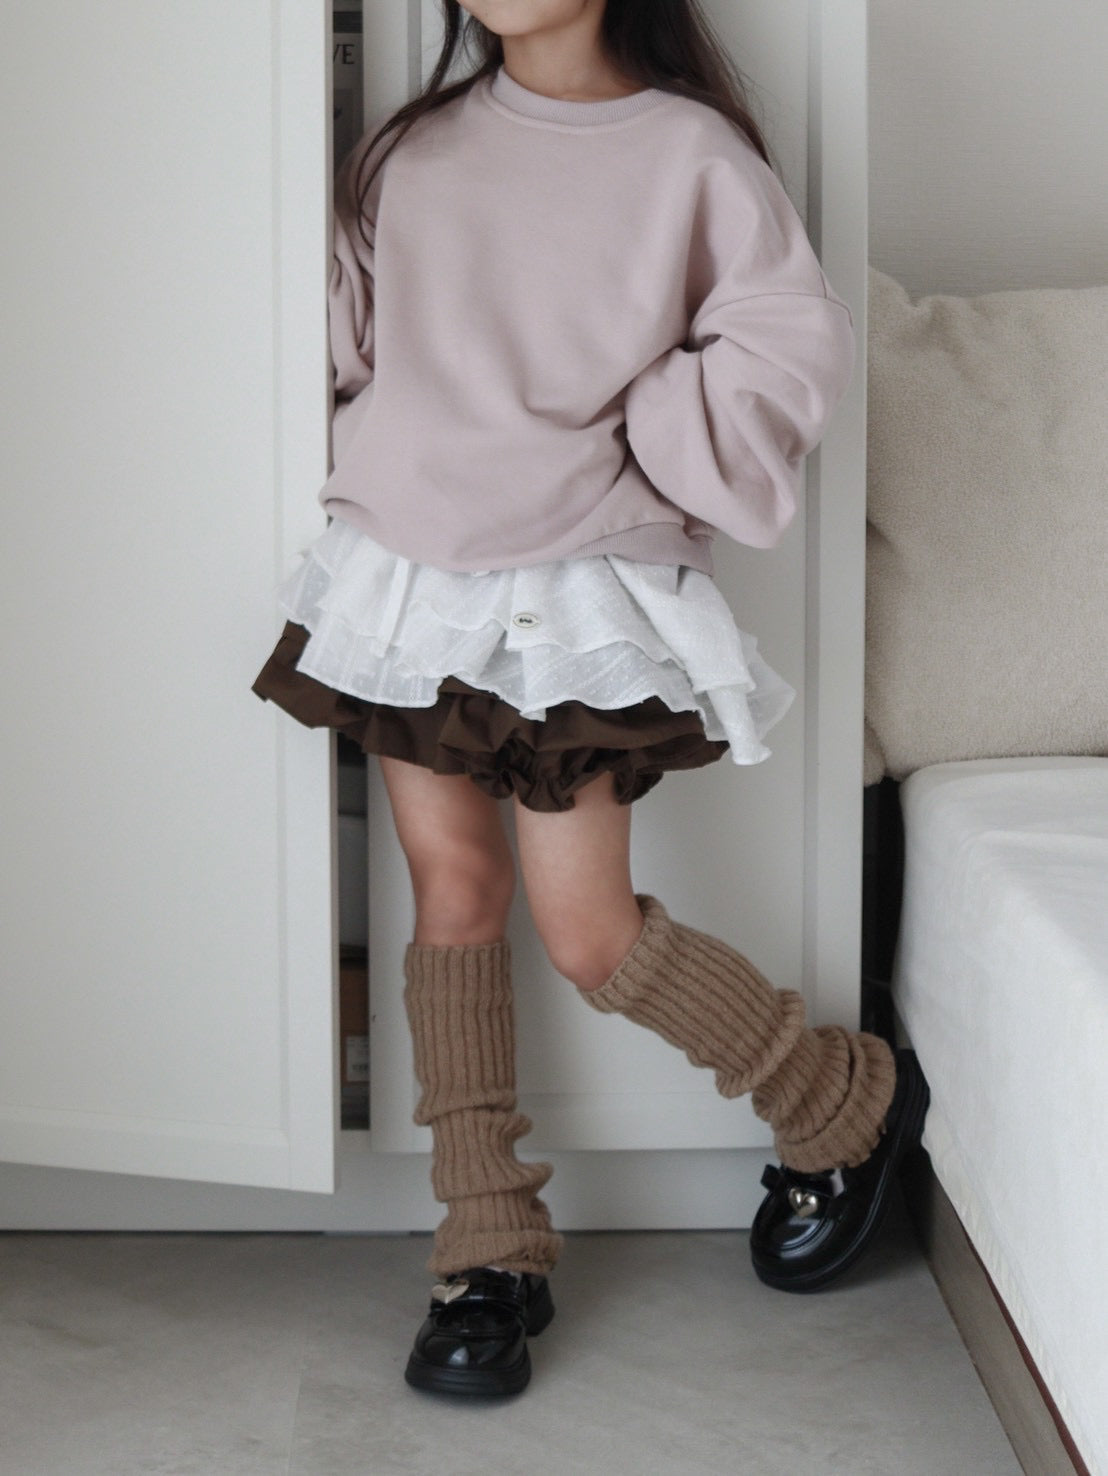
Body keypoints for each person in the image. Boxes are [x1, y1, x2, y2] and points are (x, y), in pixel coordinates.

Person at [252, 0, 928, 1397]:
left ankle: (835, 1096)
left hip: (579, 597)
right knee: (452, 897)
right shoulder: (410, 152)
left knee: (587, 932)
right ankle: (485, 1248)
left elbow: (785, 357)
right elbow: (346, 348)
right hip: (411, 582)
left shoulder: (693, 157)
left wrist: (643, 416)